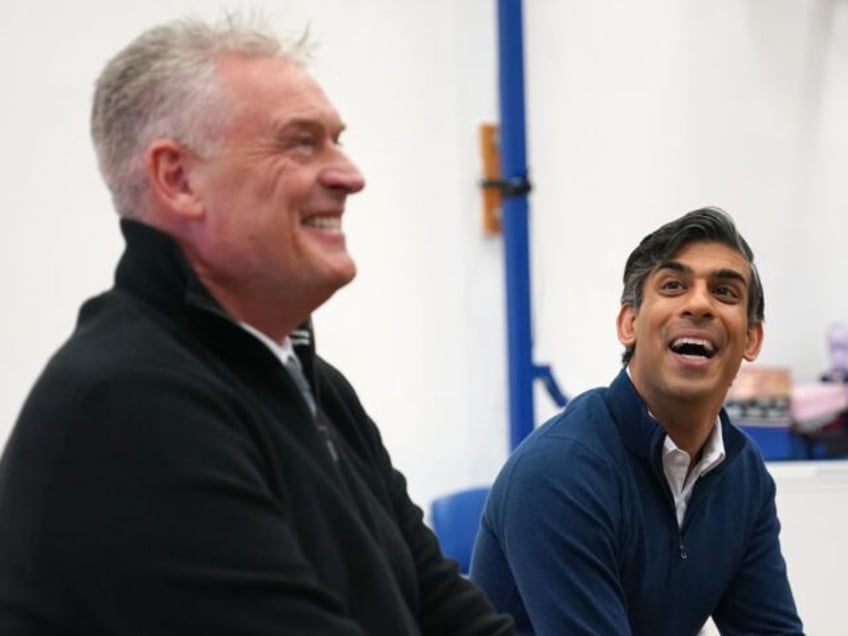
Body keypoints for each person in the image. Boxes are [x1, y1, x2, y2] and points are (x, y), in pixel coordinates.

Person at [0, 16, 514, 635]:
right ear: (178, 179)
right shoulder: (131, 403)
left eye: (336, 141)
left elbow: (444, 609)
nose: (350, 176)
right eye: (302, 143)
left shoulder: (312, 384)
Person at [470, 207, 804, 635]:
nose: (699, 304)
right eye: (673, 286)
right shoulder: (560, 470)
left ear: (751, 338)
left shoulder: (742, 473)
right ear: (629, 323)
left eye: (724, 292)